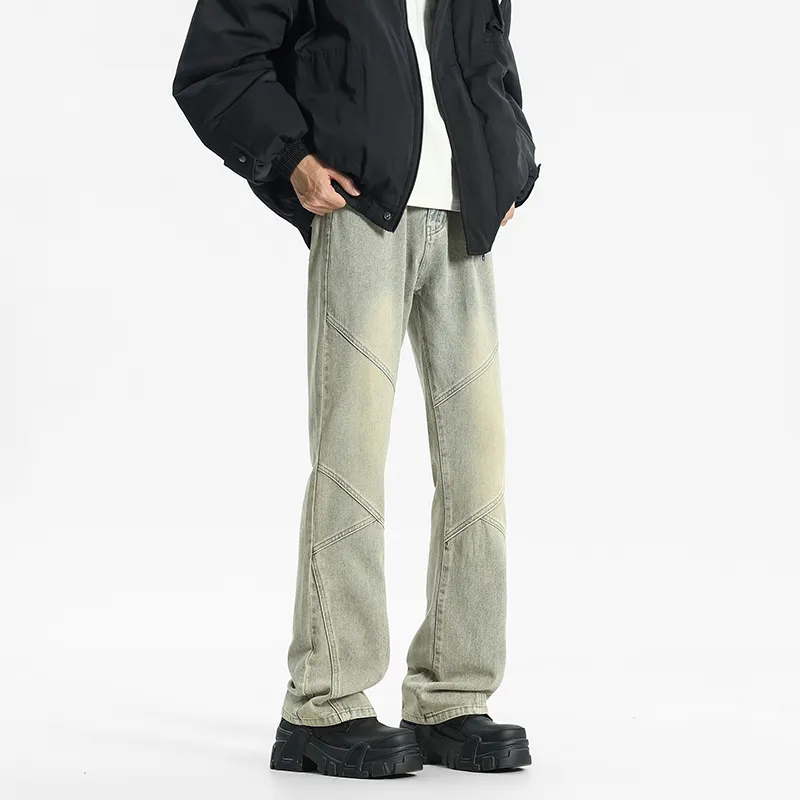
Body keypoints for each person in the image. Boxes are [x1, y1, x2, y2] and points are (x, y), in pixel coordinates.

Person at [173, 0, 540, 778]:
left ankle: (450, 696)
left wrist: (510, 161)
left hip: (465, 223)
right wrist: (291, 159)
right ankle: (323, 702)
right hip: (364, 215)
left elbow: (491, 58)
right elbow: (216, 64)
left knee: (480, 469)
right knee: (351, 461)